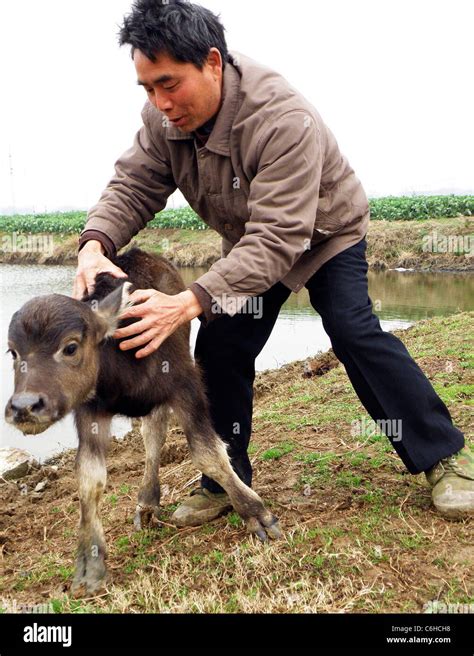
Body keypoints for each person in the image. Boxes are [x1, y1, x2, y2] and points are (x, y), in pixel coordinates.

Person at [74, 0, 473, 526]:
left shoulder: (281, 118)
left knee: (353, 331)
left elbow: (281, 235)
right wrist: (94, 243)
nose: (160, 101)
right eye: (147, 88)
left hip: (324, 236)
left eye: (169, 84)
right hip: (249, 250)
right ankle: (223, 473)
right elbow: (134, 184)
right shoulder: (162, 120)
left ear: (212, 62)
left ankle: (442, 456)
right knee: (221, 343)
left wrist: (190, 299)